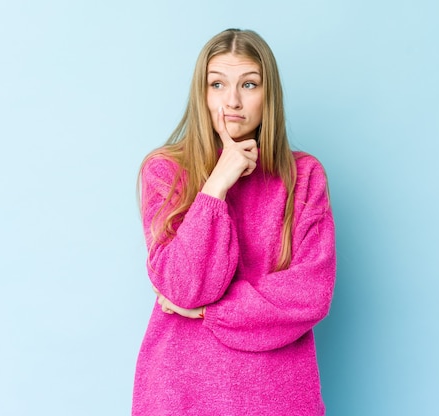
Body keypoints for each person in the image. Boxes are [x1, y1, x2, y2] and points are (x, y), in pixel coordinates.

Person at [133, 28, 336, 415]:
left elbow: (310, 294)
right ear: (202, 94)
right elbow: (184, 287)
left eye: (249, 84)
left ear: (268, 94)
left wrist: (212, 312)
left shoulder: (304, 177)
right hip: (181, 391)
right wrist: (216, 185)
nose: (233, 101)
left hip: (276, 395)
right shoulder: (164, 171)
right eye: (217, 84)